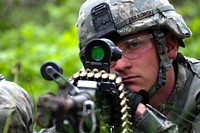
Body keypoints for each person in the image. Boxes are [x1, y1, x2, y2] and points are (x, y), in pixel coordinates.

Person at [76, 0, 200, 132]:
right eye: (105, 53)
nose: (120, 65)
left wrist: (139, 113)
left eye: (133, 45)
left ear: (168, 46)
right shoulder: (89, 99)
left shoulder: (196, 89)